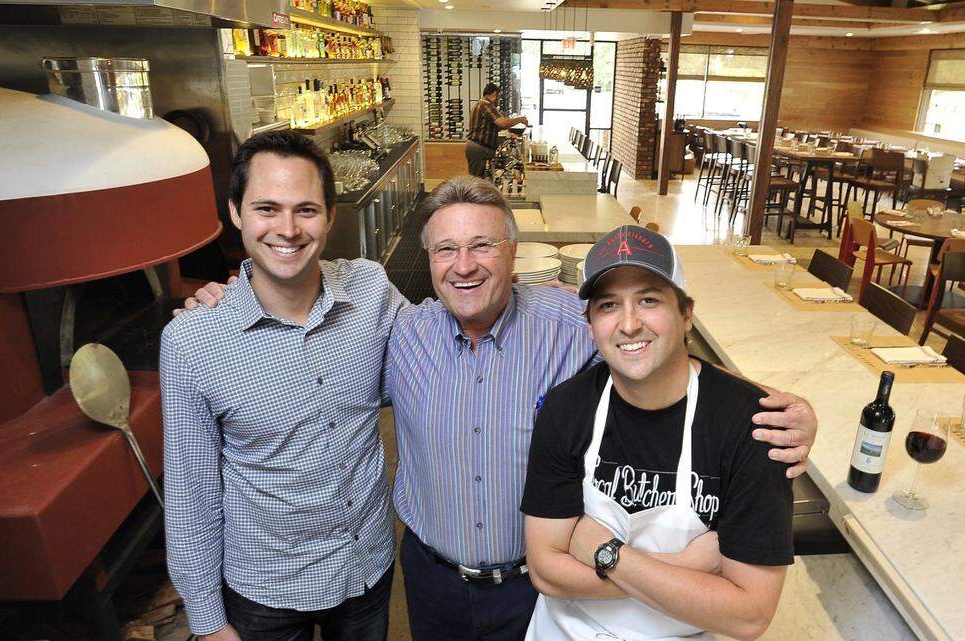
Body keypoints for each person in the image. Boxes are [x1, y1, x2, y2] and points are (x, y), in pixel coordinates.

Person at [183, 175, 819, 641]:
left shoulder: (573, 325)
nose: (464, 267)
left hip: (538, 584)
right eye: (444, 251)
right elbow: (307, 355)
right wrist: (233, 293)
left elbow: (655, 350)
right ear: (425, 261)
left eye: (483, 246)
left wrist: (769, 409)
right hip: (429, 579)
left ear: (516, 254)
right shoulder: (398, 332)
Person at [160, 131, 404, 641]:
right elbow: (191, 493)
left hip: (367, 570)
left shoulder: (371, 291)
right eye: (267, 208)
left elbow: (442, 345)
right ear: (235, 212)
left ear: (331, 215)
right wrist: (207, 622)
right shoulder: (192, 340)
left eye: (306, 210)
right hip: (266, 591)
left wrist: (553, 307)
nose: (288, 230)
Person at [521, 226, 794, 641]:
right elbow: (547, 572)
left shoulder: (752, 426)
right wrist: (687, 566)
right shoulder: (567, 409)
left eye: (649, 300)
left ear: (686, 314)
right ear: (591, 325)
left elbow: (749, 614)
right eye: (609, 305)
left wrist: (606, 553)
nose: (629, 324)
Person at [466, 83, 528, 178]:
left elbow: (495, 126)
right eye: (499, 97)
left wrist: (510, 130)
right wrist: (520, 119)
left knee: (479, 179)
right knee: (476, 182)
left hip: (478, 148)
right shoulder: (485, 104)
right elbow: (502, 123)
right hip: (478, 148)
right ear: (495, 94)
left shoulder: (481, 104)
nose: (499, 101)